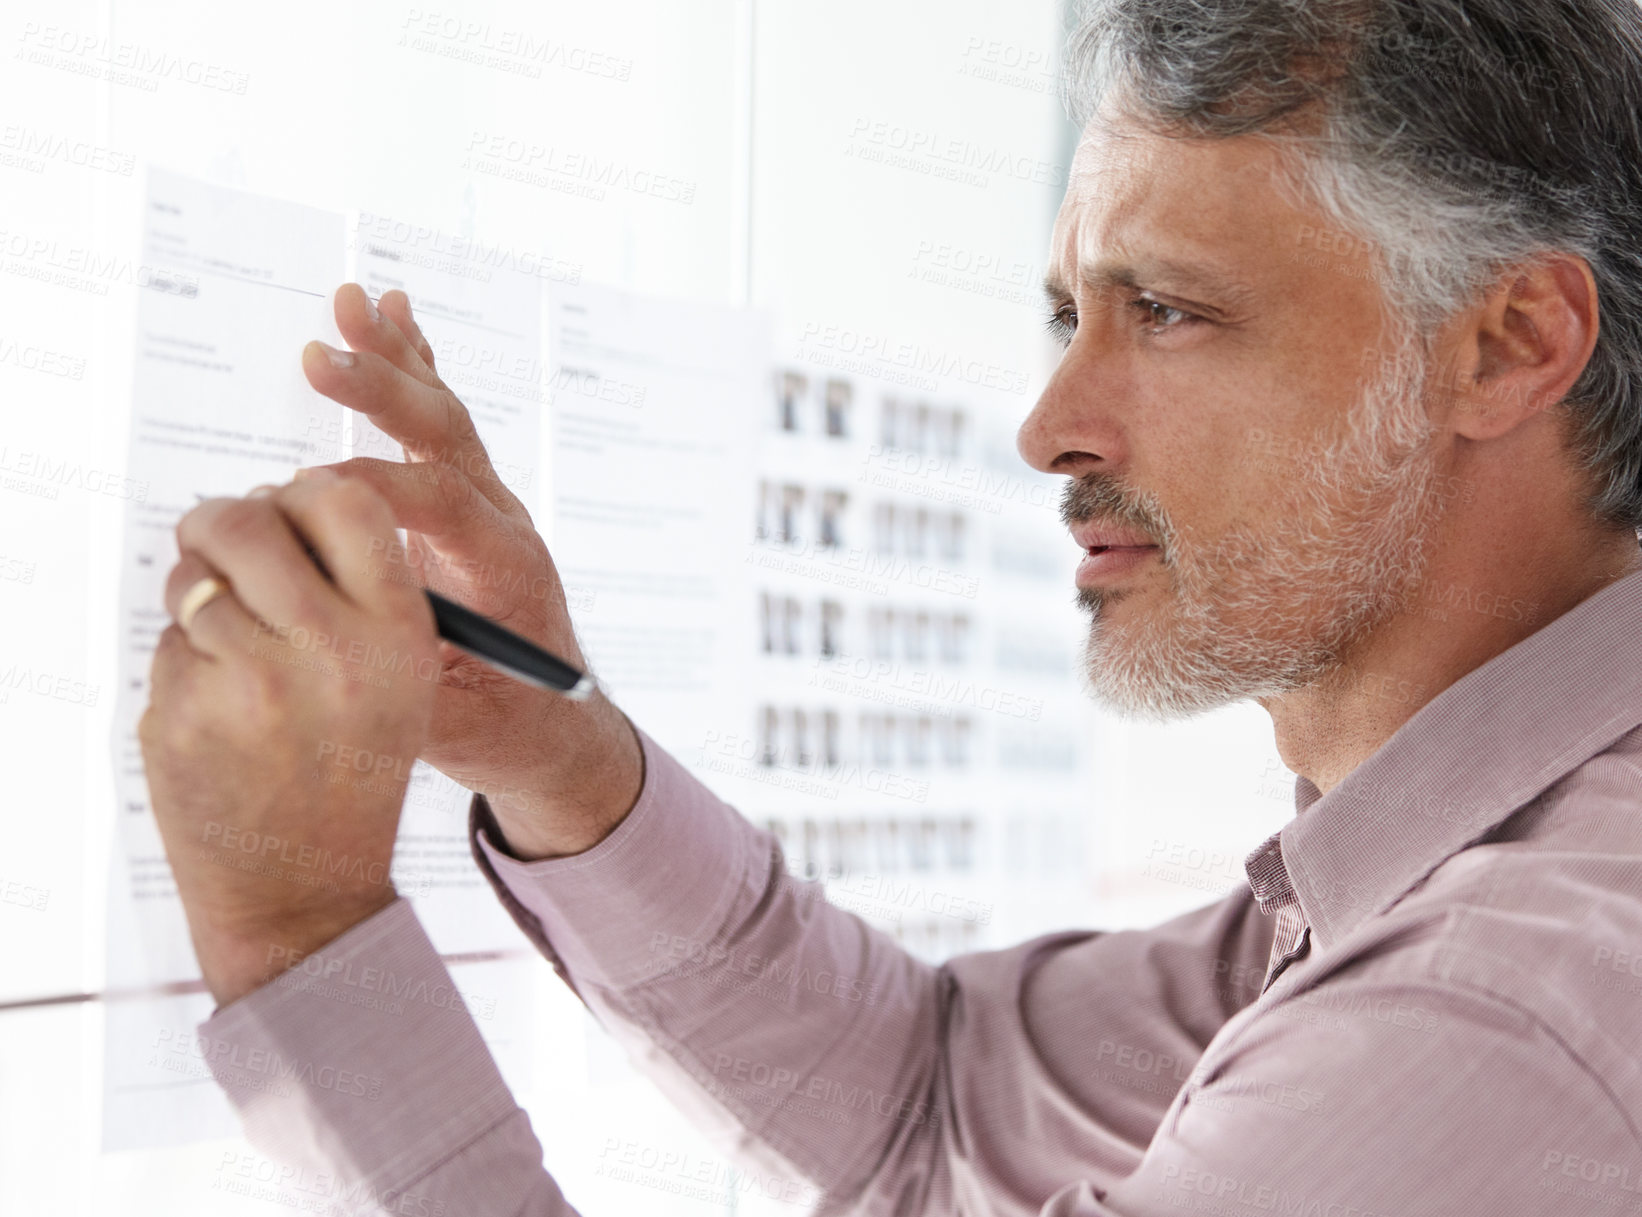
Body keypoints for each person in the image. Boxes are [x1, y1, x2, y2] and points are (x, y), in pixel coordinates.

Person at [140, 1, 1642, 1212]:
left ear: (1507, 346)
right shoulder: (1449, 861)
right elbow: (932, 1105)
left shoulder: (1507, 1006)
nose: (1049, 421)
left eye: (1166, 310)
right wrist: (557, 755)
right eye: (1070, 314)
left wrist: (299, 933)